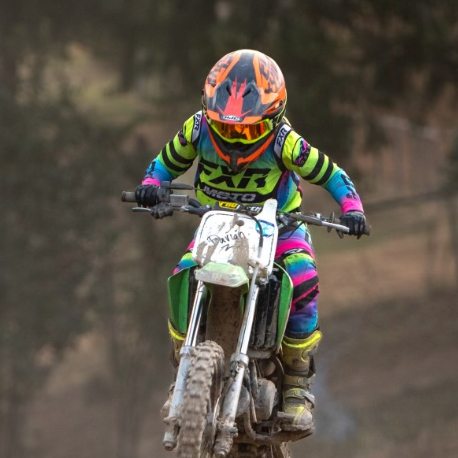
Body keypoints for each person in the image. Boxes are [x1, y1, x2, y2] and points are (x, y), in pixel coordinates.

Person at [135, 49, 369, 433]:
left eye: (245, 129)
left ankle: (296, 386)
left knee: (304, 279)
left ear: (272, 118)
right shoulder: (196, 130)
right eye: (225, 128)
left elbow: (330, 172)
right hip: (217, 227)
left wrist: (352, 207)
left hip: (280, 230)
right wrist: (150, 186)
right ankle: (184, 373)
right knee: (183, 275)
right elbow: (164, 163)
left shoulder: (285, 142)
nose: (234, 136)